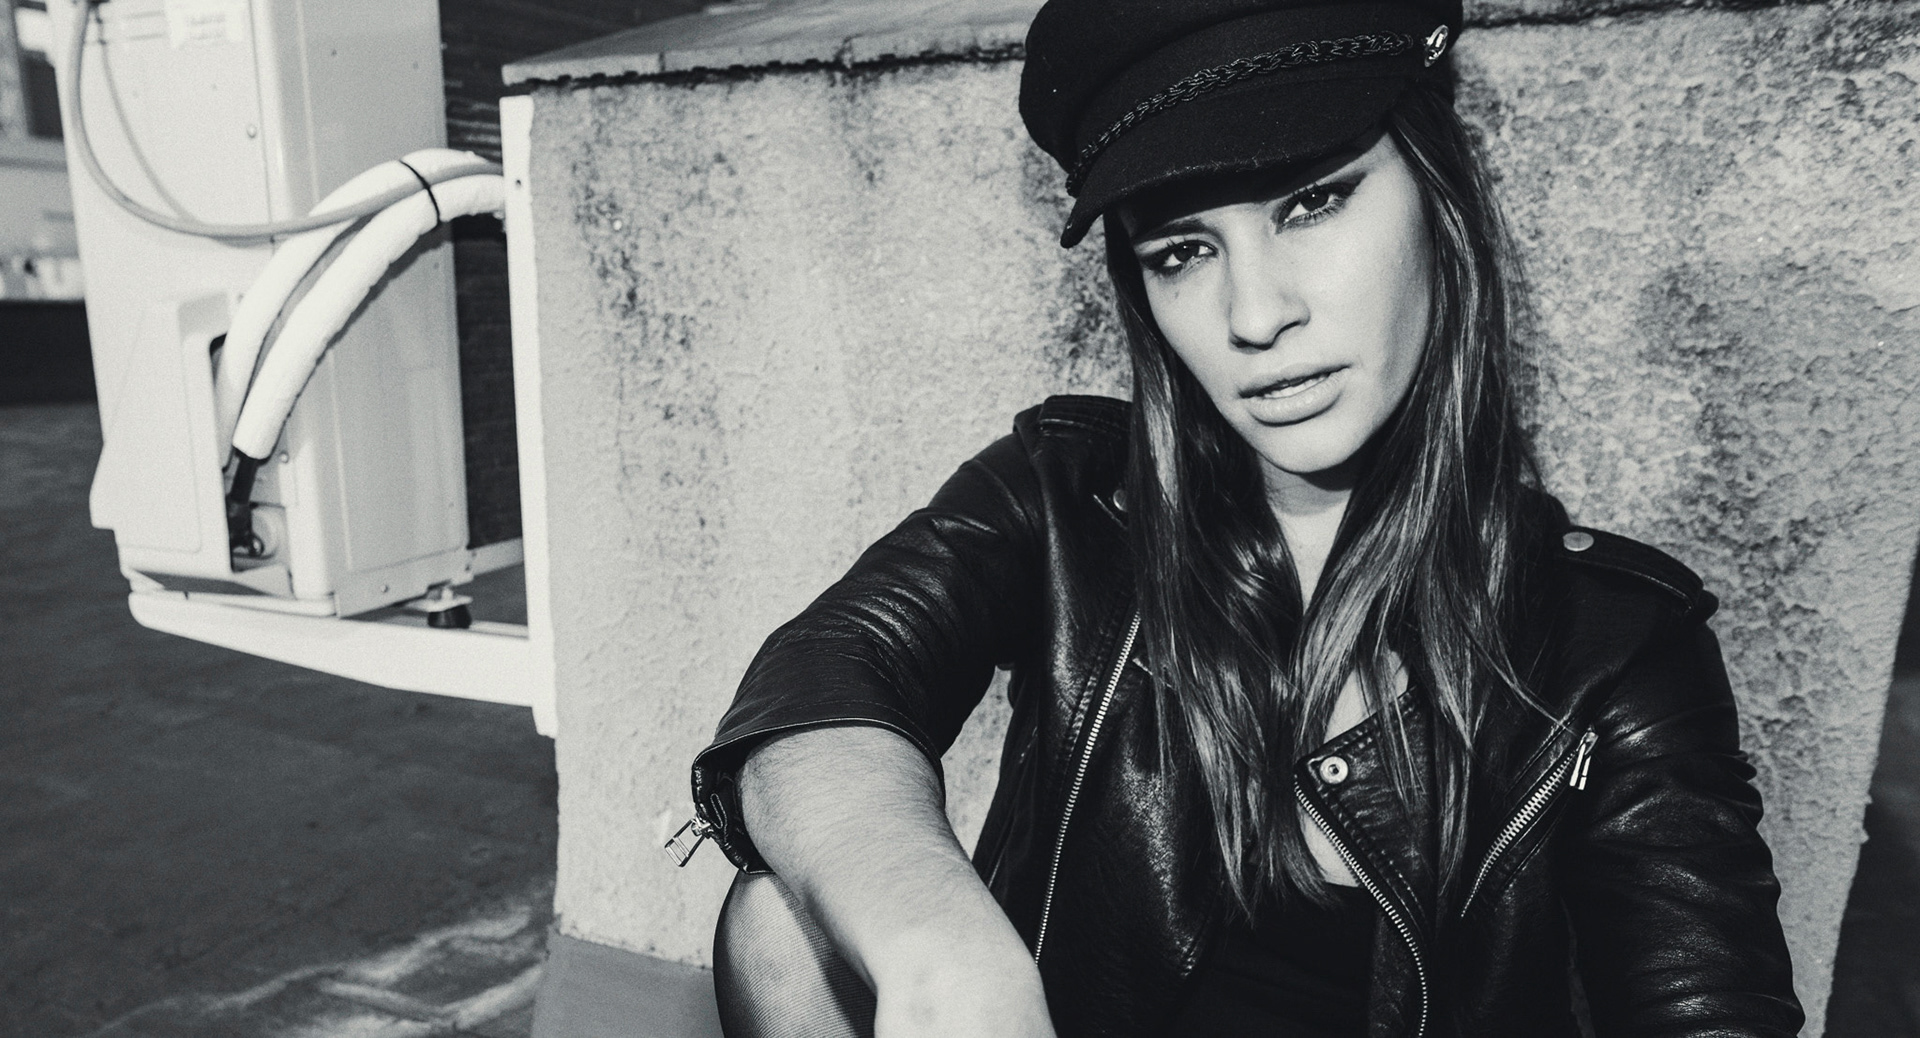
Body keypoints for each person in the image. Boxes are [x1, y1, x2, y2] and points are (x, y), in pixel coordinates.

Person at [683, 1, 1805, 1035]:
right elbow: (823, 682)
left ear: (1438, 199)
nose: (1255, 315)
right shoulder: (1072, 501)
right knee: (785, 918)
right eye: (1182, 252)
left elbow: (1707, 1006)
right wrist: (946, 953)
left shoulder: (1612, 643)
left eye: (1312, 202)